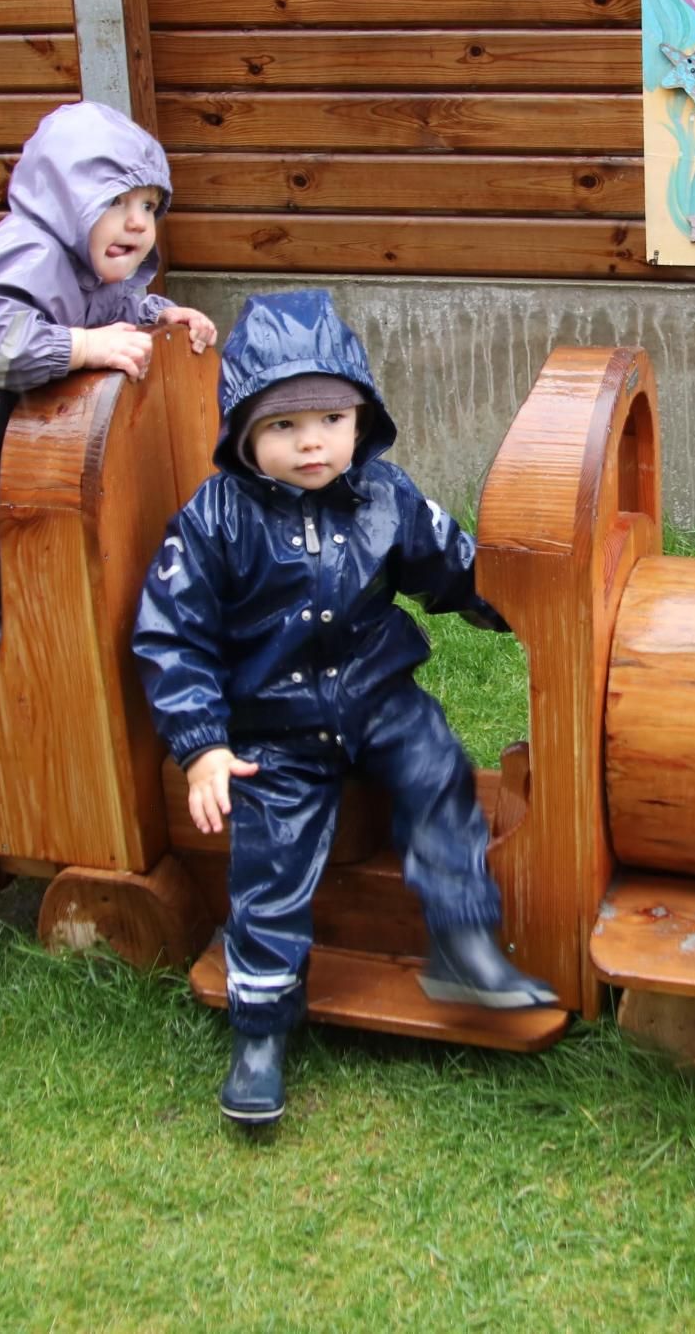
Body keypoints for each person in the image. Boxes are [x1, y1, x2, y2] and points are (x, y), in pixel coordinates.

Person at [133, 289, 555, 1127]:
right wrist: (203, 744)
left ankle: (462, 943)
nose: (312, 441)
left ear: (361, 419)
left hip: (374, 695)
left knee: (437, 768)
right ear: (243, 433)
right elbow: (171, 635)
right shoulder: (213, 522)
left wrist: (523, 605)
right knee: (272, 853)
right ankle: (261, 1025)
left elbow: (453, 565)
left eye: (331, 418)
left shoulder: (383, 496)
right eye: (283, 425)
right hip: (274, 724)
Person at [0, 101, 215, 671]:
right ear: (63, 197)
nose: (137, 222)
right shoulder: (29, 251)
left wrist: (160, 314)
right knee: (11, 626)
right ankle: (9, 695)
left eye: (149, 206)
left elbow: (108, 308)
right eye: (116, 202)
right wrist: (84, 347)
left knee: (32, 591)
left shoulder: (87, 261)